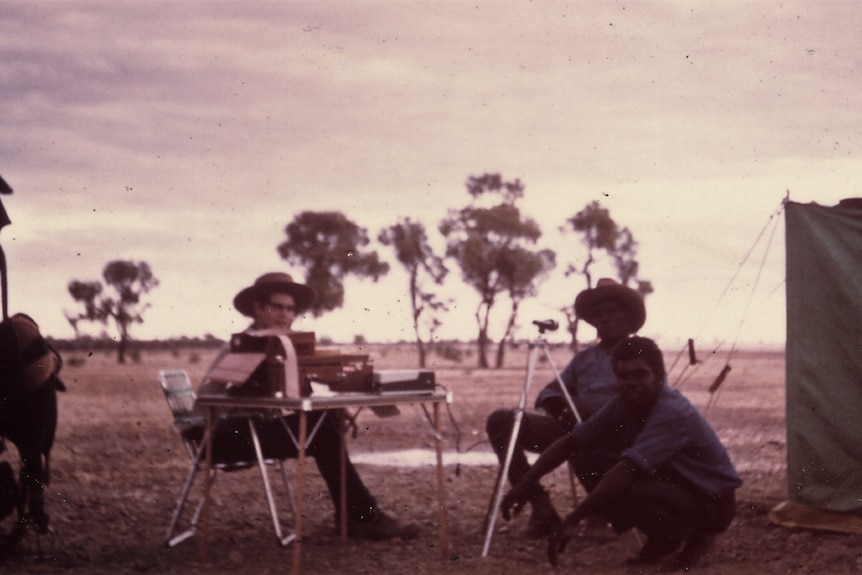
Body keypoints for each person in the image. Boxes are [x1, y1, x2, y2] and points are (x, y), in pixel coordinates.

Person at [188, 272, 418, 540]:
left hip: (249, 429)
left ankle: (353, 515)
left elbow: (291, 393)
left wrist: (333, 407)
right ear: (258, 308)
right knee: (322, 431)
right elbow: (221, 399)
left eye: (290, 309)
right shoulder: (243, 346)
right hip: (217, 437)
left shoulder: (278, 347)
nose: (284, 315)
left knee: (326, 422)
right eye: (276, 307)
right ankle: (362, 516)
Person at [501, 336, 742, 571]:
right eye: (623, 375)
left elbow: (627, 470)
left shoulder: (671, 409)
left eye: (640, 374)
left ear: (659, 376)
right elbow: (572, 442)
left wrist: (573, 519)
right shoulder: (626, 402)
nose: (631, 382)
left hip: (713, 503)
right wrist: (524, 484)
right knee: (591, 458)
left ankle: (695, 539)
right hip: (682, 489)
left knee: (624, 481)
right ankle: (665, 538)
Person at [485, 278, 646, 538]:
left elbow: (649, 399)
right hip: (575, 429)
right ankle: (542, 510)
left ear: (628, 318)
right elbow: (551, 391)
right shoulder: (584, 358)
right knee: (503, 422)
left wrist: (594, 410)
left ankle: (601, 513)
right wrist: (563, 406)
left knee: (587, 438)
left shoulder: (640, 352)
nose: (604, 319)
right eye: (599, 314)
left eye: (612, 313)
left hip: (620, 433)